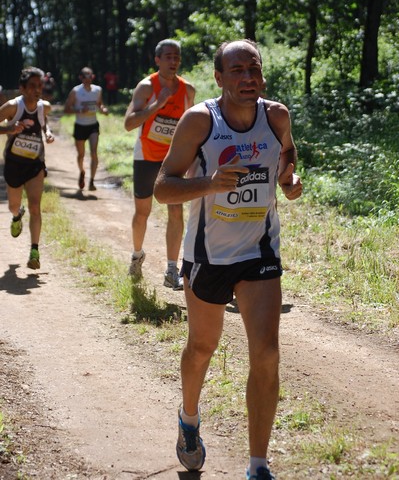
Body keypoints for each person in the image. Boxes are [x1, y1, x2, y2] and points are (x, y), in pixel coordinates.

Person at [154, 39, 302, 479]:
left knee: (268, 353)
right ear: (219, 79)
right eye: (236, 71)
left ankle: (258, 465)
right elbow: (163, 187)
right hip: (207, 257)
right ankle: (189, 418)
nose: (247, 78)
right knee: (203, 346)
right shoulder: (200, 121)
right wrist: (210, 184)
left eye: (253, 69)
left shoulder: (276, 116)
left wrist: (289, 178)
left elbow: (288, 153)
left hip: (259, 253)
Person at [124, 39, 195, 289]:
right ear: (157, 60)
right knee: (143, 212)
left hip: (173, 159)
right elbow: (129, 123)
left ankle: (171, 269)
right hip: (146, 156)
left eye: (177, 57)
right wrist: (158, 105)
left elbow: (192, 126)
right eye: (168, 57)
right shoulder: (146, 87)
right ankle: (136, 255)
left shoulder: (188, 91)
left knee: (176, 211)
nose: (173, 61)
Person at [0, 67, 55, 269]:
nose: (37, 90)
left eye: (39, 86)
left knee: (35, 206)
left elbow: (43, 122)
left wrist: (48, 133)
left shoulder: (44, 107)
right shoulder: (12, 107)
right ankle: (16, 215)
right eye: (32, 86)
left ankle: (34, 250)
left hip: (34, 164)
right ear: (22, 88)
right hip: (14, 164)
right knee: (14, 206)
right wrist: (9, 129)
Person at [64, 67, 108, 191]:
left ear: (92, 77)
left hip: (93, 125)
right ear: (81, 78)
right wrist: (79, 110)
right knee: (81, 155)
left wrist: (103, 110)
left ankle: (92, 181)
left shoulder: (97, 90)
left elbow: (100, 104)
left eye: (90, 76)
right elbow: (66, 109)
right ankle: (82, 172)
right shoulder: (75, 91)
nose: (88, 79)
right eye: (85, 76)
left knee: (94, 152)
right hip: (80, 126)